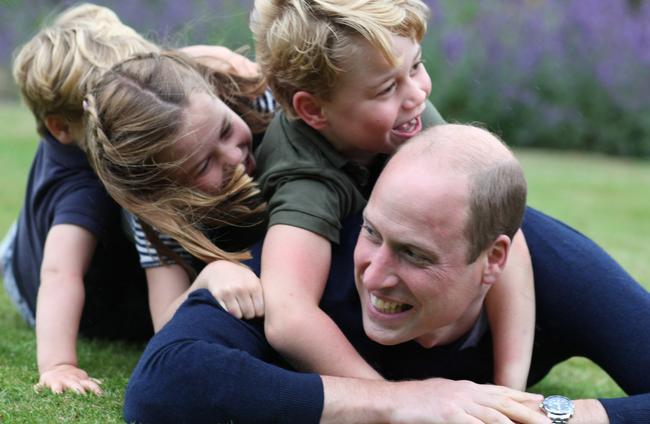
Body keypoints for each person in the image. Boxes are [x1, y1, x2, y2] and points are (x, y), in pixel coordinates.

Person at [123, 123, 650, 424]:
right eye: (373, 233)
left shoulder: (560, 269)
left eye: (415, 255)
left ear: (493, 260)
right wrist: (400, 404)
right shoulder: (311, 256)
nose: (374, 275)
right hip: (121, 267)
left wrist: (548, 417)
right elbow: (163, 384)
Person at [250, 0, 534, 388]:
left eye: (416, 65)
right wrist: (394, 403)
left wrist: (510, 390)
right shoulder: (304, 175)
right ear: (313, 110)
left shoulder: (405, 109)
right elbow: (288, 317)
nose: (417, 93)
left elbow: (505, 232)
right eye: (387, 88)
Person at [0, 3, 268, 396]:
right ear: (64, 127)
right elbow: (60, 275)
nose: (133, 104)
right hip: (32, 280)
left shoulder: (137, 103)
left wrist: (201, 59)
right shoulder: (82, 189)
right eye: (112, 108)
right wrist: (59, 363)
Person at [83, 51, 273, 331]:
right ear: (164, 189)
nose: (233, 156)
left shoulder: (263, 103)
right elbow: (164, 322)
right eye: (204, 164)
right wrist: (210, 275)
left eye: (224, 130)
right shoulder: (157, 214)